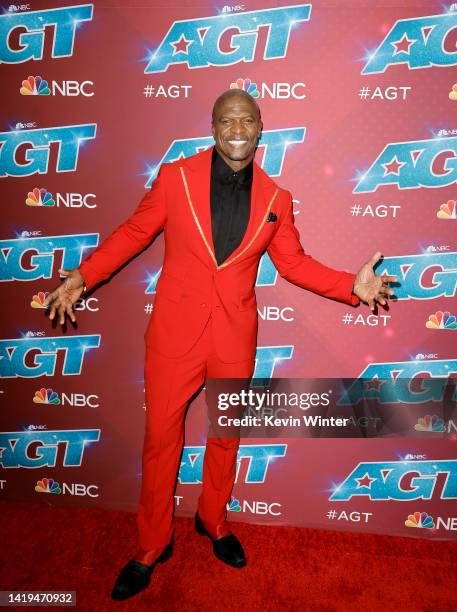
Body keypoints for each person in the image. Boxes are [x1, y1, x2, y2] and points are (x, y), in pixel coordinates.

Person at [44, 90, 396, 601]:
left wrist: (352, 286)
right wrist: (83, 276)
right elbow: (134, 233)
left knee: (225, 438)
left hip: (234, 340)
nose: (237, 128)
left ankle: (213, 519)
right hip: (173, 338)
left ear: (259, 130)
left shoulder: (277, 200)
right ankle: (150, 546)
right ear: (213, 128)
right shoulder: (175, 177)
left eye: (247, 120)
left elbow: (294, 264)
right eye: (227, 119)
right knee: (161, 443)